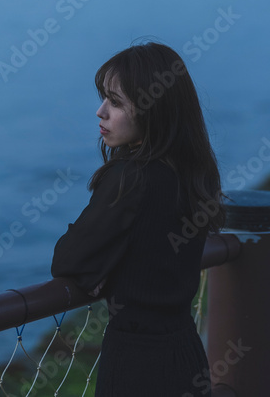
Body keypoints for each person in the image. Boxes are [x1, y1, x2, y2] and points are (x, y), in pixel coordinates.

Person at [51, 41, 227, 397]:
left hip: (137, 364)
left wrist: (101, 267)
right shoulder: (190, 175)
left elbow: (68, 259)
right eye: (104, 98)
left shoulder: (131, 177)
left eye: (115, 102)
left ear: (152, 110)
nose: (100, 112)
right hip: (185, 352)